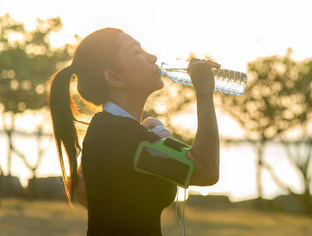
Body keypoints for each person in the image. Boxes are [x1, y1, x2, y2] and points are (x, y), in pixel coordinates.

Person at [48, 28, 220, 235]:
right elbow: (206, 171)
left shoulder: (113, 130)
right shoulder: (118, 134)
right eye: (137, 52)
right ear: (115, 77)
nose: (152, 58)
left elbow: (83, 191)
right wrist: (203, 92)